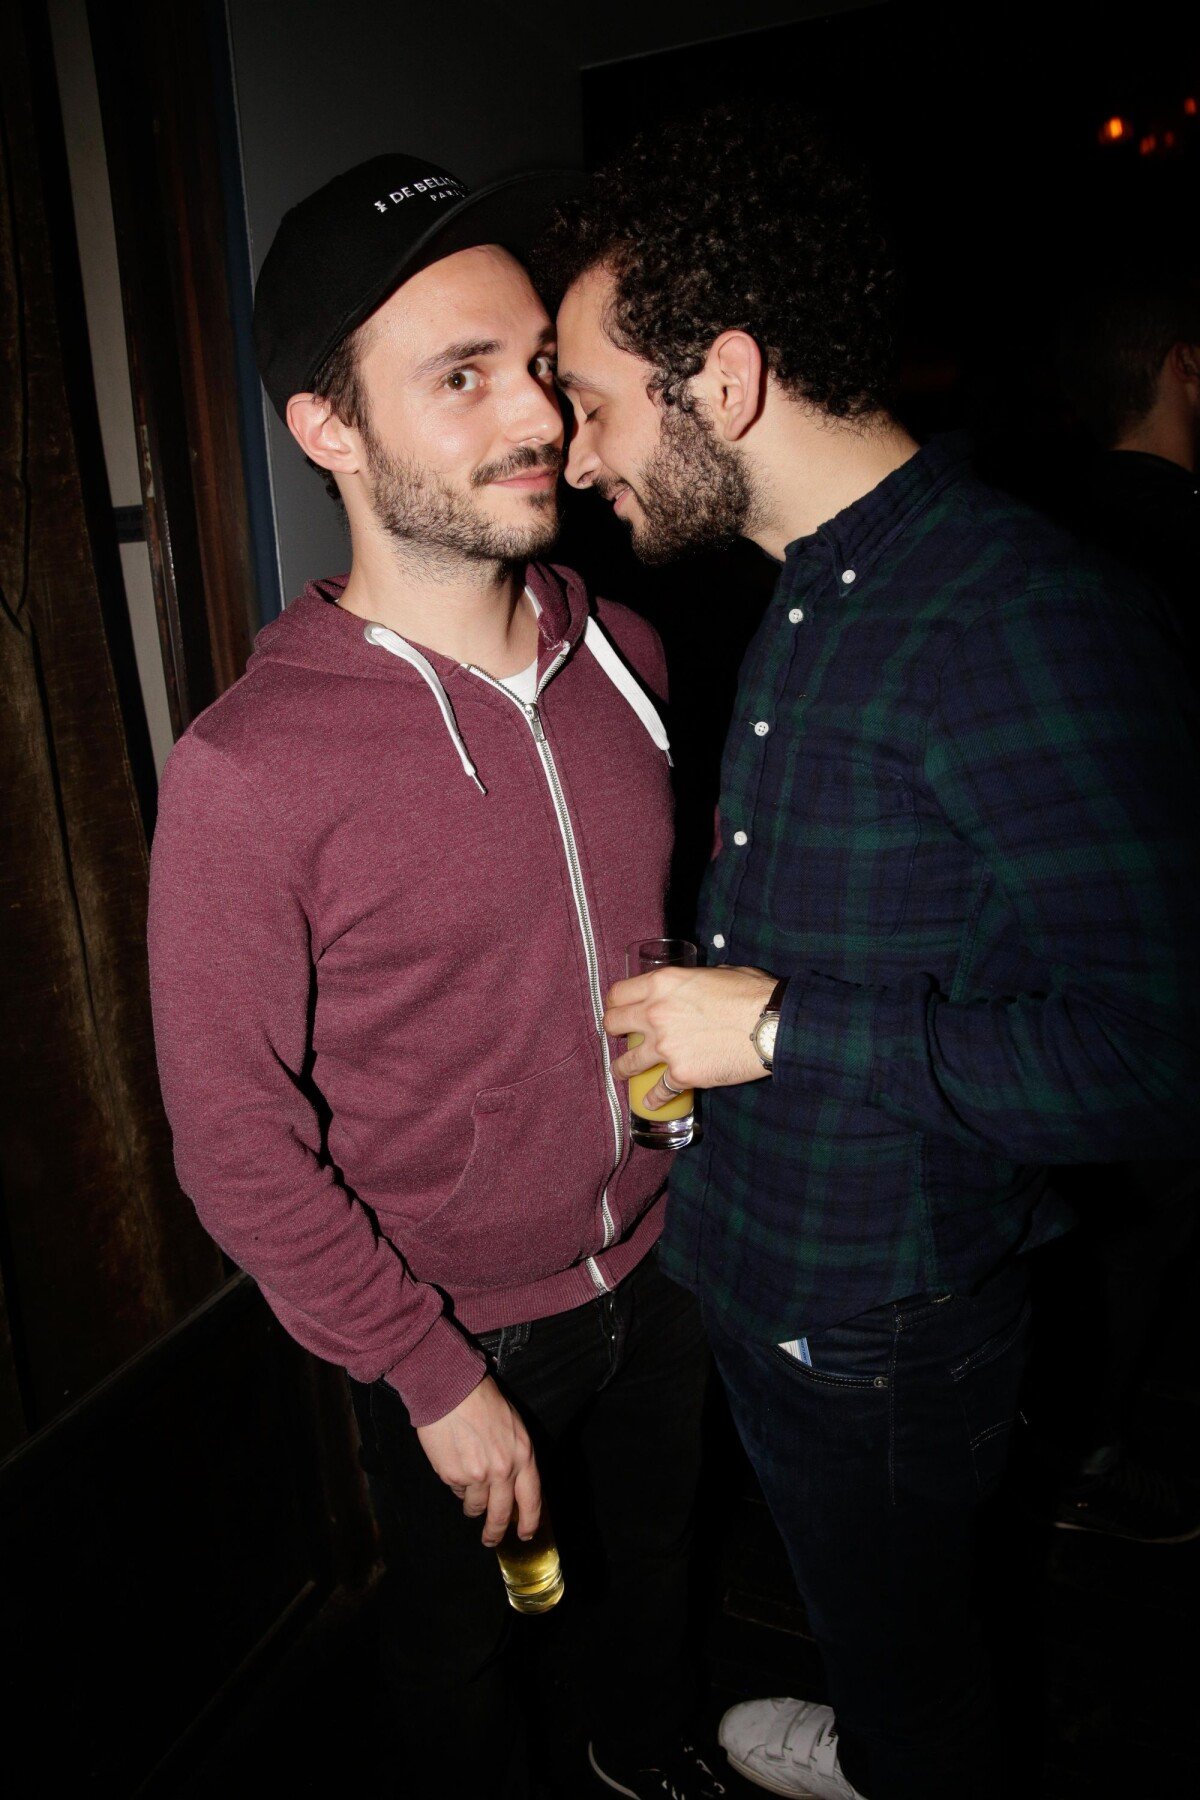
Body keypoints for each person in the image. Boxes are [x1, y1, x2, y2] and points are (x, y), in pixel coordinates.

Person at [542, 106, 1200, 1800]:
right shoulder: (812, 589)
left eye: (597, 399)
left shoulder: (1019, 615)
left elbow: (1157, 1054)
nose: (577, 449)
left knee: (921, 1657)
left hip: (885, 1322)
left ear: (731, 382)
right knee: (877, 1609)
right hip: (772, 1269)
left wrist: (783, 1029)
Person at [147, 154, 720, 1800]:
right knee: (459, 1652)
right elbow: (234, 1141)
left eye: (534, 363)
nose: (535, 416)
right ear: (329, 429)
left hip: (669, 1268)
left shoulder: (627, 649)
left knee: (655, 1571)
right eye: (460, 379)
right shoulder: (250, 770)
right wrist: (433, 1372)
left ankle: (644, 1749)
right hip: (460, 1330)